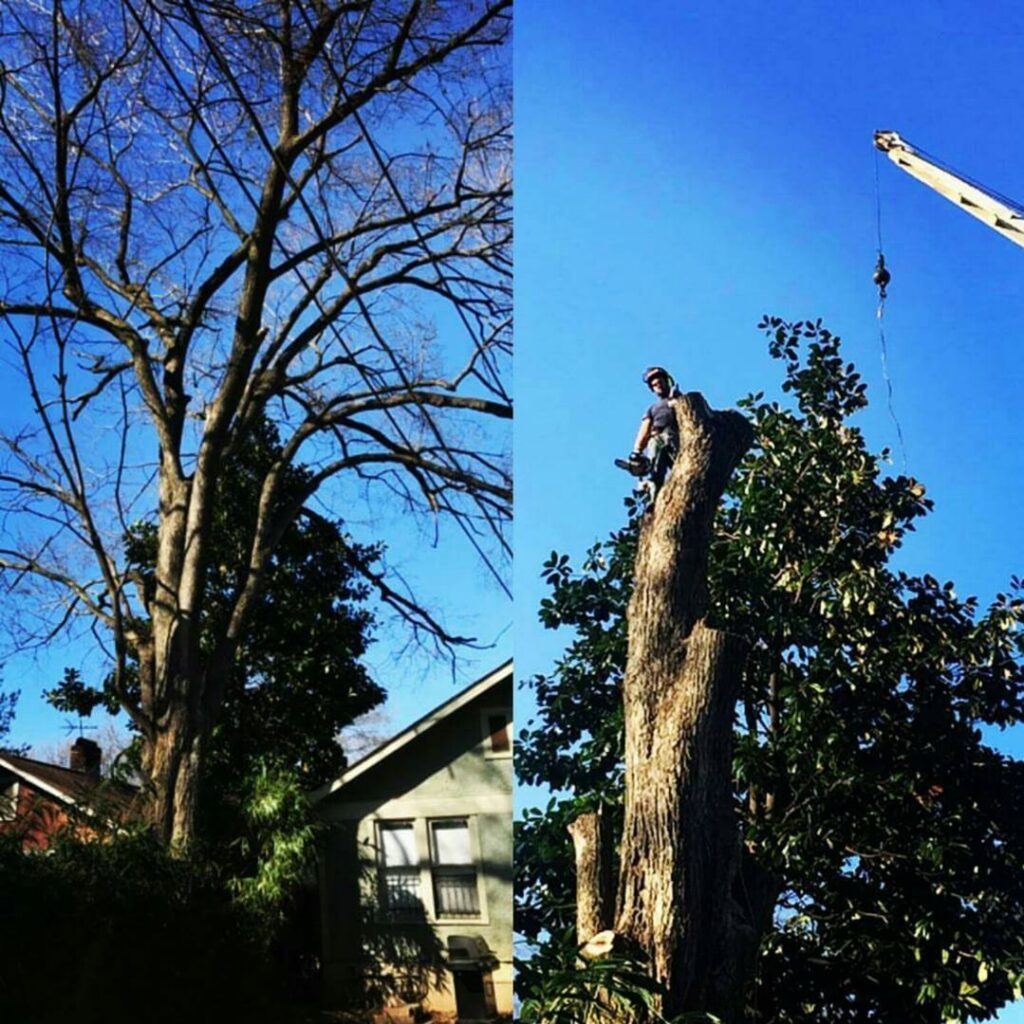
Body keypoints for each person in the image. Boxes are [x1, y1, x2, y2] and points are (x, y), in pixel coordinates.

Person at [621, 366, 680, 495]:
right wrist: (636, 451)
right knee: (655, 469)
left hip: (676, 437)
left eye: (659, 382)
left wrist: (676, 401)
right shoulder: (653, 409)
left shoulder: (682, 400)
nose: (657, 386)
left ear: (667, 381)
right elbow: (645, 428)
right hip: (657, 437)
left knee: (680, 467)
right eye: (654, 385)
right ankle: (653, 494)